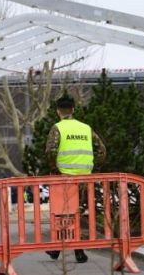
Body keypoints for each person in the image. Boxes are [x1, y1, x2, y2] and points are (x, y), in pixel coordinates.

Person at [44, 94, 106, 263]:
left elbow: (50, 152)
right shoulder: (86, 128)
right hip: (85, 179)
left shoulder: (57, 128)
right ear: (73, 109)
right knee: (76, 212)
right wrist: (95, 169)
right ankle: (64, 249)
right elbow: (101, 150)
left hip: (64, 178)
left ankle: (68, 249)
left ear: (58, 111)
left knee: (64, 213)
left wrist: (54, 170)